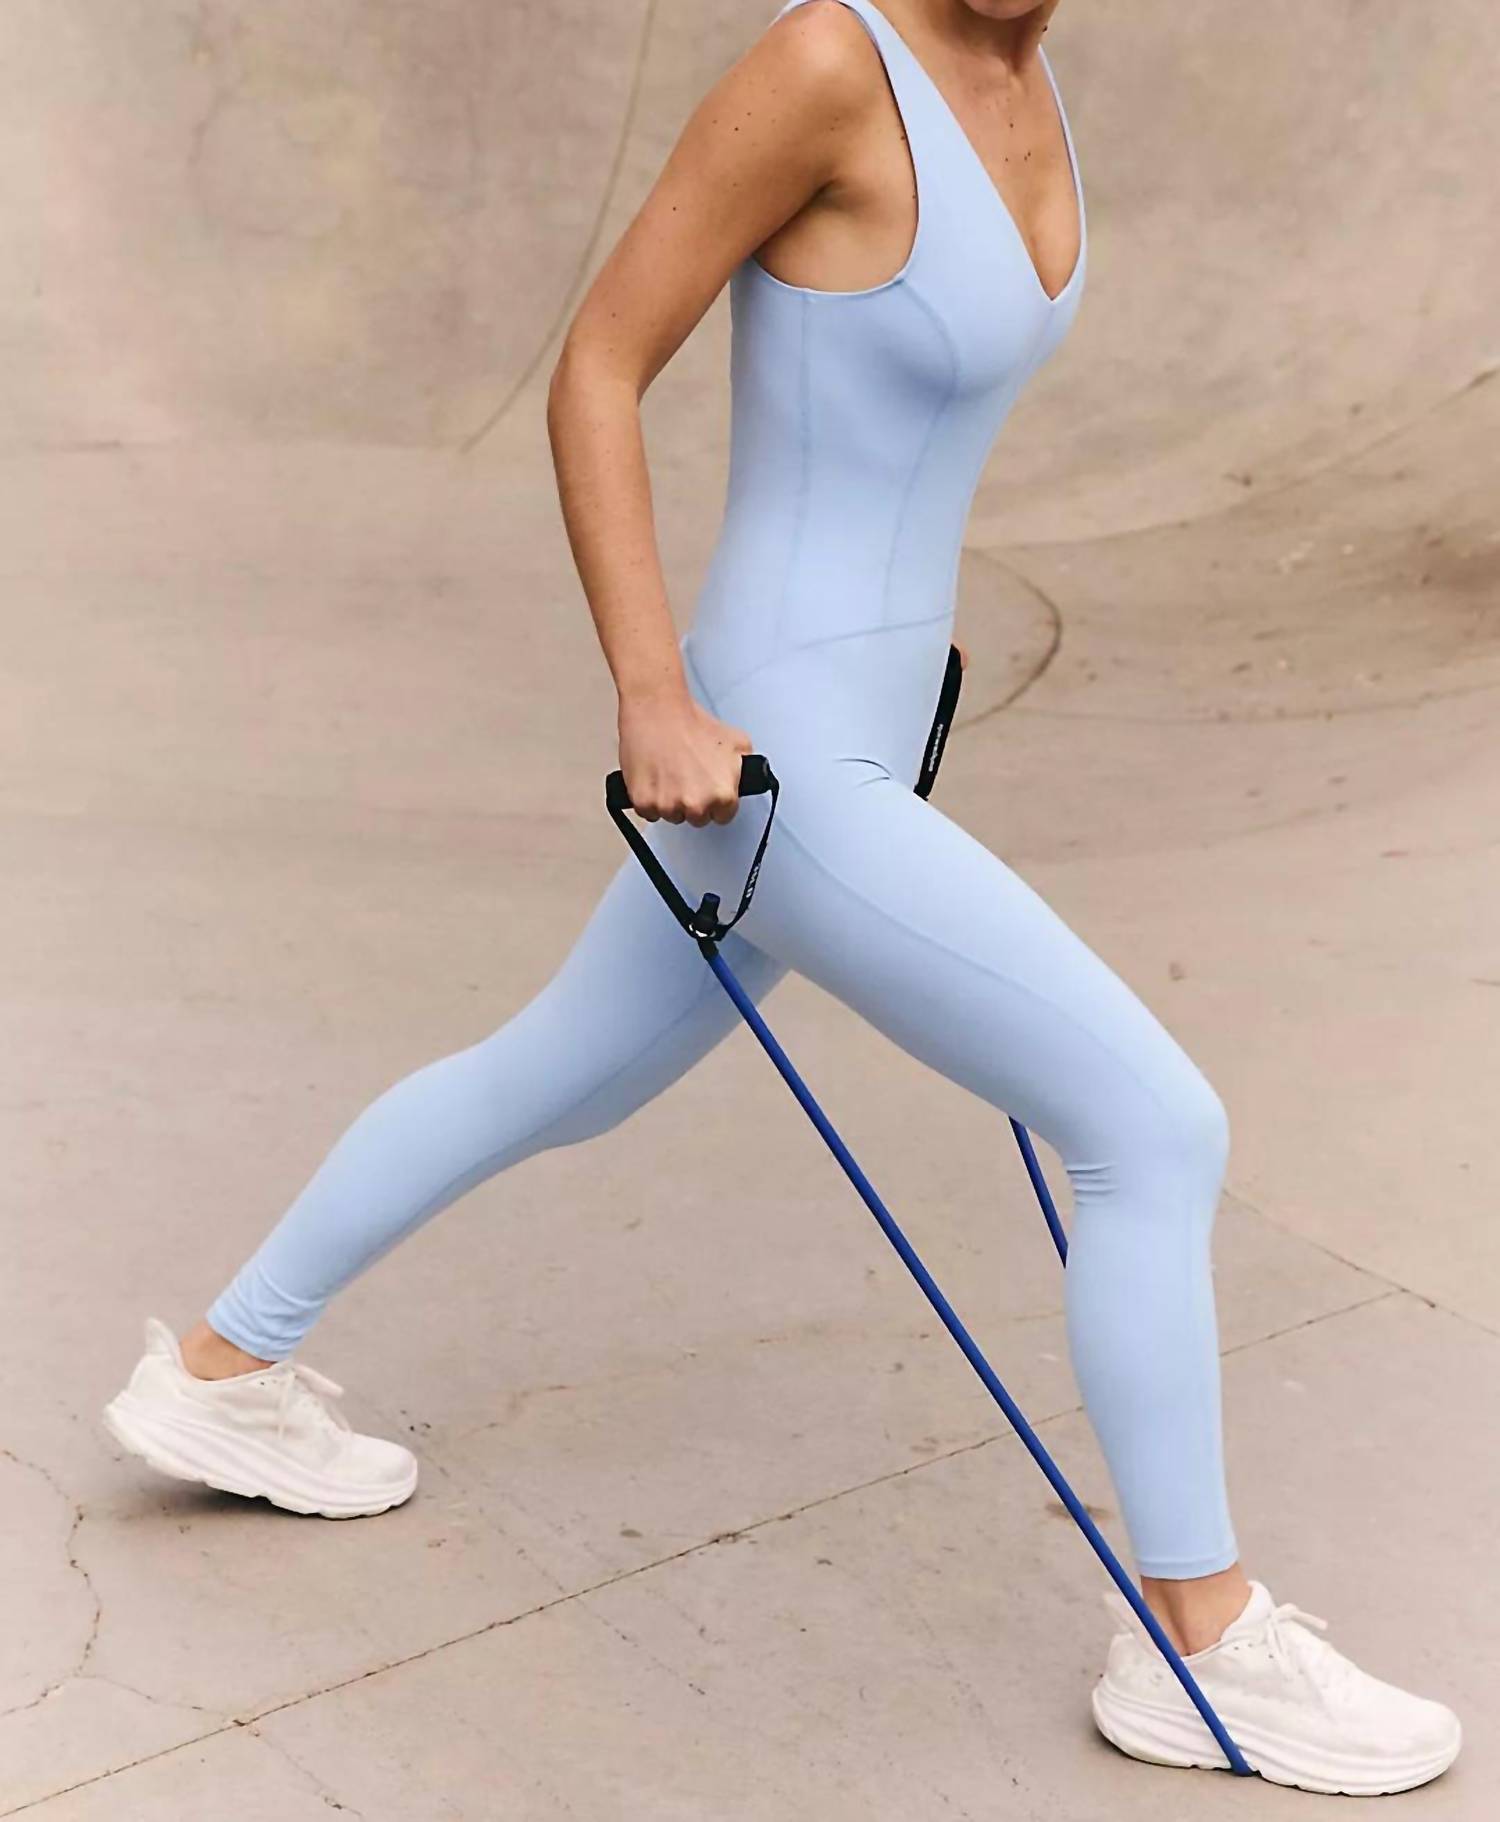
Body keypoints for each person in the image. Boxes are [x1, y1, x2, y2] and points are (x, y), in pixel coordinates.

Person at [103, 0, 1460, 1794]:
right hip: (773, 756)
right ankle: (1202, 1647)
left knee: (554, 1074)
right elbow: (599, 362)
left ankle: (219, 1368)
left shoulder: (1028, 74)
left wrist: (904, 656)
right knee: (1153, 1127)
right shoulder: (831, 63)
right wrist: (652, 692)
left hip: (864, 726)